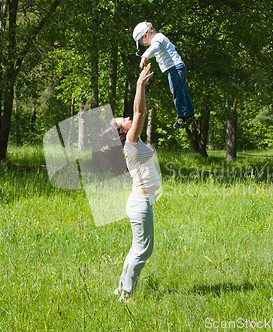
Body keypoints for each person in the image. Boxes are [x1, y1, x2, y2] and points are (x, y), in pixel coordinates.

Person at [112, 64, 161, 303]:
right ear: (123, 132)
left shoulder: (132, 141)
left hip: (141, 201)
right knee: (143, 250)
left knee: (137, 248)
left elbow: (137, 113)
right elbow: (140, 113)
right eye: (124, 120)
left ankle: (121, 287)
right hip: (140, 203)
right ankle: (127, 294)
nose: (128, 118)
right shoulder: (130, 143)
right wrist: (140, 84)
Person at [132, 22, 195, 129]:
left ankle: (182, 116)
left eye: (141, 42)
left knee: (177, 91)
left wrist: (144, 57)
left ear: (145, 36)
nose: (143, 45)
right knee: (183, 90)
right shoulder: (159, 39)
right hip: (178, 67)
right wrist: (147, 58)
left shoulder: (158, 38)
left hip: (174, 68)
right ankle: (189, 113)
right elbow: (155, 51)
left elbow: (155, 48)